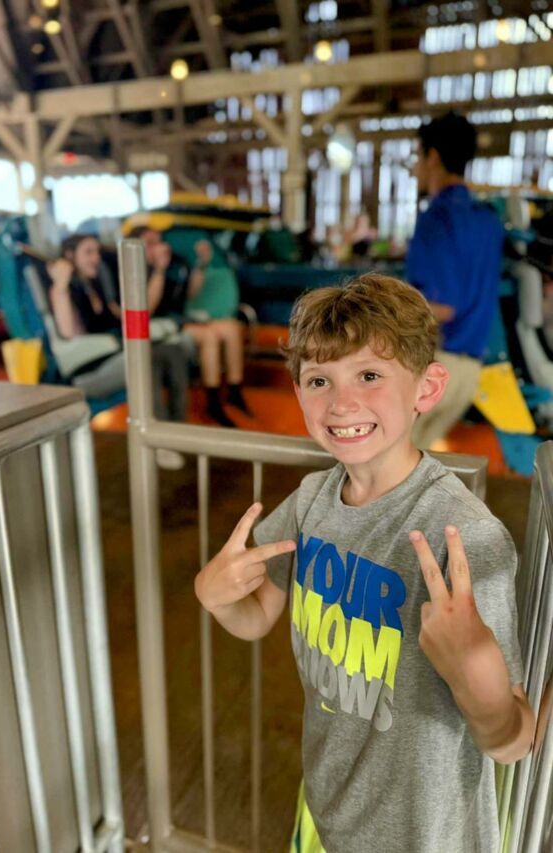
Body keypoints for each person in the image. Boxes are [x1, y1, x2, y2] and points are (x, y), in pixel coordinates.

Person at [195, 275, 534, 853]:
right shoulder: (310, 500)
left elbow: (512, 741)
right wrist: (217, 596)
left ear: (427, 388)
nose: (341, 403)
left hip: (424, 837)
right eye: (319, 380)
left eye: (370, 376)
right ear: (299, 392)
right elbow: (255, 618)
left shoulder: (467, 538)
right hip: (325, 806)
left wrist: (477, 678)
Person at [406, 110, 504, 449]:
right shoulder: (488, 220)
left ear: (433, 157)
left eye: (418, 157)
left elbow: (441, 307)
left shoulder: (437, 217)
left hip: (435, 364)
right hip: (469, 372)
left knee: (381, 465)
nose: (415, 168)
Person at [48, 233, 189, 470]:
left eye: (96, 252)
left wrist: (158, 274)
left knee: (173, 350)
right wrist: (61, 283)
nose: (96, 258)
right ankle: (159, 441)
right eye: (88, 252)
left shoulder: (97, 286)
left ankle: (177, 431)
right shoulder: (63, 290)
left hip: (113, 355)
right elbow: (69, 333)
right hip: (88, 369)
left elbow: (124, 318)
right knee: (145, 360)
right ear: (70, 257)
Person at [131, 226, 250, 428]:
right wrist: (159, 270)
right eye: (150, 243)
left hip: (180, 319)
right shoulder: (137, 270)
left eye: (159, 241)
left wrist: (201, 264)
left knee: (232, 328)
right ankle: (213, 402)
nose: (159, 246)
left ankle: (234, 390)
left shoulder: (176, 263)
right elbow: (147, 310)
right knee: (209, 336)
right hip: (161, 325)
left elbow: (190, 293)